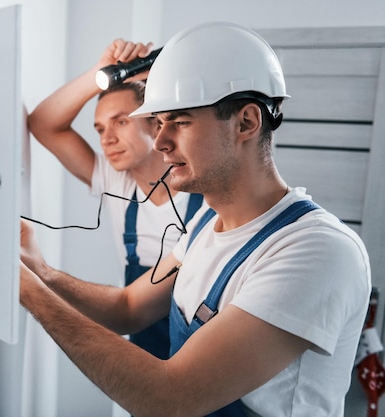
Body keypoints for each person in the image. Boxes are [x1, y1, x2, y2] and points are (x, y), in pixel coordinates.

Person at [19, 21, 371, 417]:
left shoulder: (316, 251)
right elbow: (128, 308)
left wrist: (29, 293)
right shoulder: (208, 223)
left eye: (180, 122)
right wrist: (40, 273)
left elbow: (171, 398)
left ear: (246, 123)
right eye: (159, 121)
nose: (160, 141)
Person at [27, 39, 202, 360]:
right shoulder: (113, 179)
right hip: (144, 344)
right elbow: (42, 124)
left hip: (201, 349)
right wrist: (99, 72)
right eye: (99, 129)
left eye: (121, 122)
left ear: (156, 122)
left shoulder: (206, 188)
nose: (107, 139)